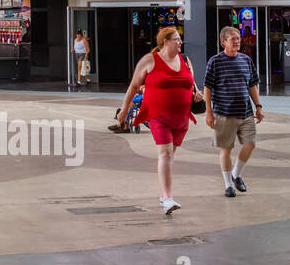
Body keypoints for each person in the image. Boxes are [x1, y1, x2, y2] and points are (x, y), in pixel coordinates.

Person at [112, 26, 202, 216]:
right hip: (158, 115)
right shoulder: (149, 60)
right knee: (165, 154)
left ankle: (163, 195)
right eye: (176, 39)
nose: (180, 42)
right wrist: (124, 110)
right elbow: (134, 86)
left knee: (169, 157)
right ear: (165, 41)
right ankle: (168, 199)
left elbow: (192, 84)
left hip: (181, 118)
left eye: (180, 39)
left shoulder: (185, 60)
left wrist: (197, 94)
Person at [204, 25, 264, 198]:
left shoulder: (246, 60)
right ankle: (228, 185)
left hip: (245, 112)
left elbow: (252, 84)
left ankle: (236, 174)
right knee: (226, 149)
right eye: (233, 39)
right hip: (224, 113)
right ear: (224, 42)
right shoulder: (215, 62)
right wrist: (209, 112)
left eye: (238, 38)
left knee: (250, 144)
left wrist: (258, 106)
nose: (237, 41)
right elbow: (207, 87)